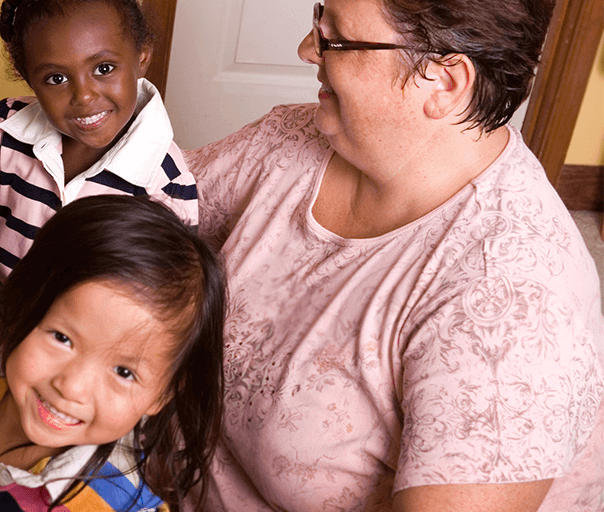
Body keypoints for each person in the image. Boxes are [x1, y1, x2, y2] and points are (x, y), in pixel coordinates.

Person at [180, 0, 604, 510]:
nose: (307, 50)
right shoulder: (292, 141)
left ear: (444, 82)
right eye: (319, 17)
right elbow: (134, 212)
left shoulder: (510, 302)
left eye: (335, 38)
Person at [0, 195, 225, 510]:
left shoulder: (109, 501)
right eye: (62, 338)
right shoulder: (0, 361)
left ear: (162, 394)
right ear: (24, 313)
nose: (71, 387)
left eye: (124, 372)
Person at [0, 0, 197, 298]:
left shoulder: (166, 187)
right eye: (56, 78)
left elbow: (154, 306)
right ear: (28, 77)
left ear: (142, 58)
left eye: (103, 68)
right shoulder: (6, 127)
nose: (83, 96)